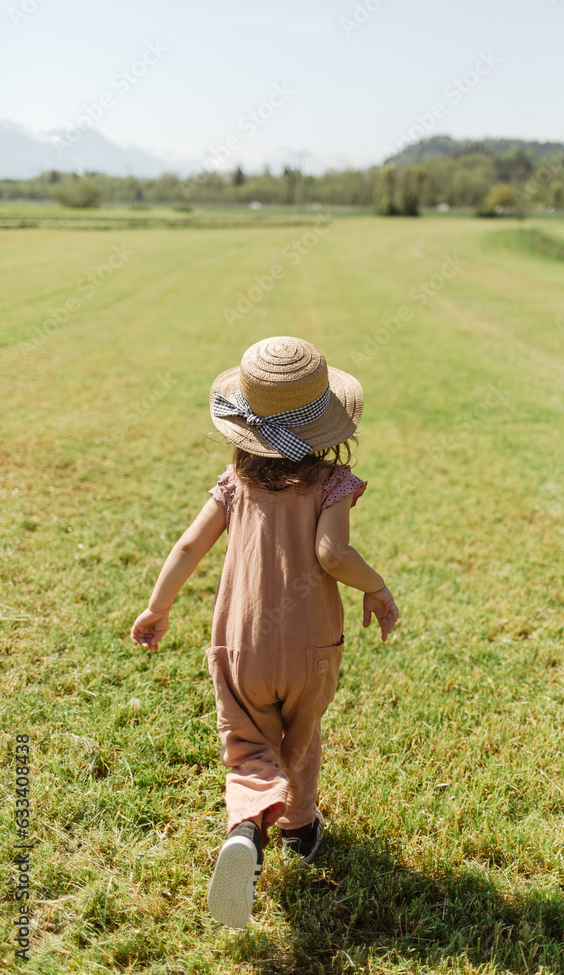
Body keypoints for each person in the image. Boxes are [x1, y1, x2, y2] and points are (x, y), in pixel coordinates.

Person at [130, 336, 399, 929]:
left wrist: (158, 607)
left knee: (249, 743)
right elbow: (332, 554)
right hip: (312, 648)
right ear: (327, 425)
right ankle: (300, 830)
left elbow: (188, 545)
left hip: (240, 645)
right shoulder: (333, 483)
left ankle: (246, 829)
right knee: (300, 734)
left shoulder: (234, 485)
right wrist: (376, 587)